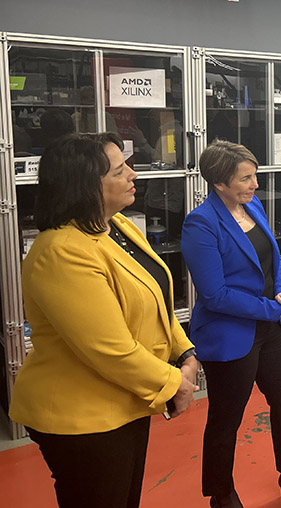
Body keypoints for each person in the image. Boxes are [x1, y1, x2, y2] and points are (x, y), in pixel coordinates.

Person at [9, 132, 198, 508]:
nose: (133, 175)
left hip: (127, 400)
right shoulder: (62, 251)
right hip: (83, 418)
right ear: (84, 187)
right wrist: (176, 382)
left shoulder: (116, 227)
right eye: (119, 170)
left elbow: (156, 299)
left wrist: (185, 353)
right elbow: (109, 348)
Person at [181, 140, 281, 508]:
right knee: (226, 419)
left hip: (268, 328)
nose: (255, 185)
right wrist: (271, 309)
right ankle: (221, 493)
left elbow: (275, 261)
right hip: (230, 334)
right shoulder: (200, 223)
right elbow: (214, 294)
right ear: (219, 184)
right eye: (246, 178)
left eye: (255, 176)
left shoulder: (254, 207)